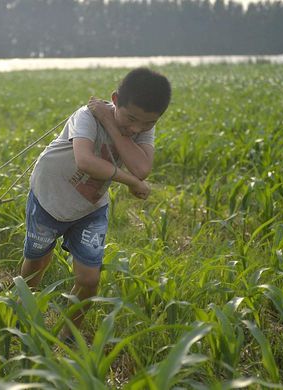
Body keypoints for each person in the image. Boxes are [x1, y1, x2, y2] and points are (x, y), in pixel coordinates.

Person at [20, 67, 171, 343]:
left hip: (90, 206)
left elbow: (141, 168)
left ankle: (68, 335)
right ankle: (20, 314)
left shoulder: (139, 126)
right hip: (50, 196)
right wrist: (130, 182)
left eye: (147, 123)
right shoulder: (87, 116)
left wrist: (113, 124)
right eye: (131, 118)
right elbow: (86, 161)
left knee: (89, 278)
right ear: (115, 99)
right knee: (37, 260)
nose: (136, 129)